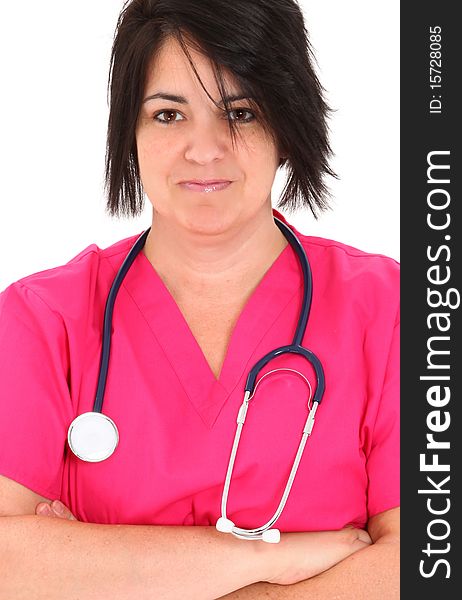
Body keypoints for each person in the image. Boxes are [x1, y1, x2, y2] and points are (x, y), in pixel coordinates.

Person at [0, 0, 399, 597]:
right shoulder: (40, 320)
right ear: (129, 133)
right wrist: (275, 559)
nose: (204, 149)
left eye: (240, 112)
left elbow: (430, 564)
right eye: (168, 115)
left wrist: (97, 570)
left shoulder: (392, 311)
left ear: (288, 128)